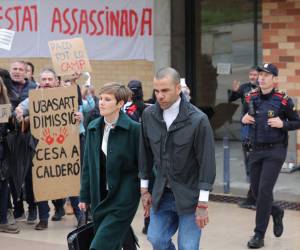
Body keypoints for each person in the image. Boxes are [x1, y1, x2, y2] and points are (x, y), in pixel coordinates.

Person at [139, 67, 216, 250]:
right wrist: (144, 190)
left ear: (178, 89)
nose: (160, 96)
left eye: (165, 90)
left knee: (188, 247)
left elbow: (207, 162)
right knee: (156, 239)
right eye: (156, 91)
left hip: (190, 196)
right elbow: (145, 154)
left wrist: (203, 203)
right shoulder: (149, 115)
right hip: (161, 194)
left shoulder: (198, 120)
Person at [15, 68, 83, 230]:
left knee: (71, 181)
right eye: (43, 79)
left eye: (49, 79)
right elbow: (20, 109)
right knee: (41, 183)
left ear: (56, 81)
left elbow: (81, 109)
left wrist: (80, 116)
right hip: (41, 148)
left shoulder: (66, 95)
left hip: (65, 146)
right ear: (40, 81)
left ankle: (81, 216)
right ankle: (43, 218)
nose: (46, 82)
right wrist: (18, 112)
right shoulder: (34, 97)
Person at [242, 63, 300, 249]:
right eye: (260, 74)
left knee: (265, 190)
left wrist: (282, 123)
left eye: (267, 75)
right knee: (257, 192)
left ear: (274, 79)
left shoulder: (283, 100)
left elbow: (297, 122)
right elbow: (247, 117)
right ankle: (276, 211)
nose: (262, 77)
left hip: (275, 151)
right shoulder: (250, 97)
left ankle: (259, 235)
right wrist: (244, 119)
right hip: (255, 150)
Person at [79, 82, 140, 250]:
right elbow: (88, 166)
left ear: (120, 104)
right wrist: (84, 196)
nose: (101, 102)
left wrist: (151, 194)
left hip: (124, 196)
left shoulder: (134, 130)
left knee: (100, 245)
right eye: (101, 98)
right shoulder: (93, 127)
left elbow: (145, 165)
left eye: (108, 99)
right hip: (100, 195)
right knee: (113, 241)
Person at [228, 66, 259, 209]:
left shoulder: (263, 89)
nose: (253, 77)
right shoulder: (245, 88)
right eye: (251, 74)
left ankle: (254, 197)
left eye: (255, 74)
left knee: (255, 159)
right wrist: (234, 91)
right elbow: (231, 99)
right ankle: (252, 194)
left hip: (259, 129)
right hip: (246, 128)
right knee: (248, 157)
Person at [0, 76, 20, 234]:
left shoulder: (4, 107)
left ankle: (2, 220)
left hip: (3, 151)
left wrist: (17, 119)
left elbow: (10, 128)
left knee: (3, 187)